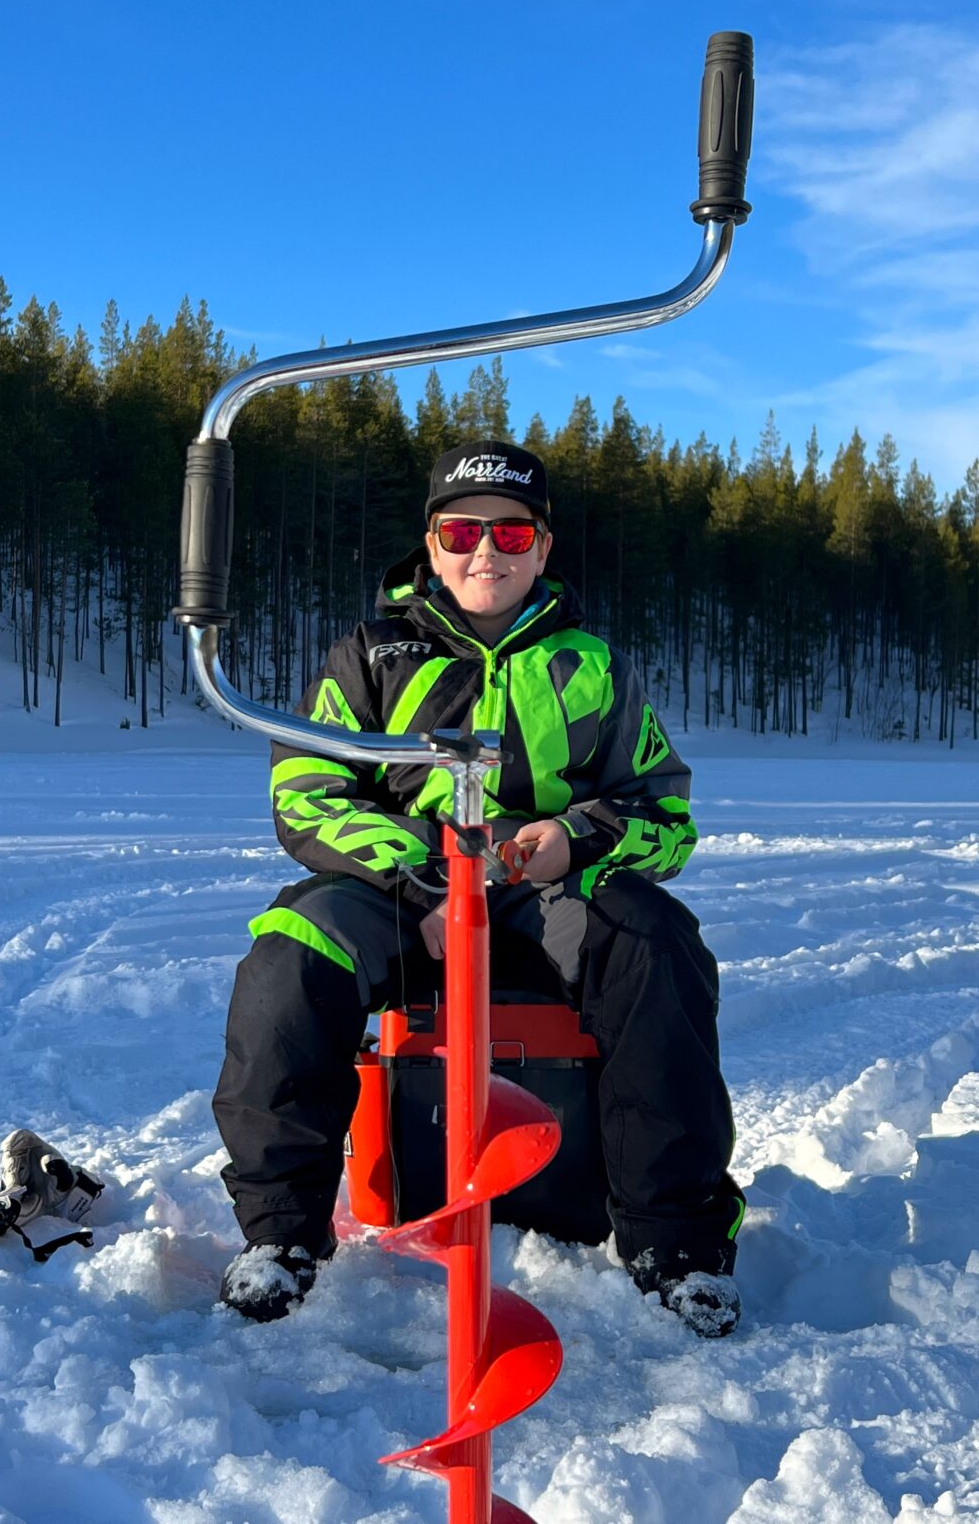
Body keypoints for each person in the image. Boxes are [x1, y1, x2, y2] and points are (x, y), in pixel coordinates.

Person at [213, 439, 745, 1336]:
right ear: (431, 544)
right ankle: (281, 1234)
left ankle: (675, 1241)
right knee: (291, 950)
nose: (484, 551)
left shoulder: (592, 668)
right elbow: (306, 795)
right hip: (399, 892)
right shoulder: (371, 657)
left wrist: (570, 839)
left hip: (541, 895)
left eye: (509, 531)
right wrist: (427, 881)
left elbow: (664, 814)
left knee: (657, 937)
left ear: (544, 546)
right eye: (462, 531)